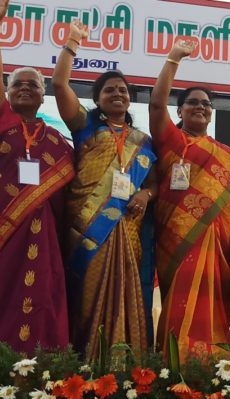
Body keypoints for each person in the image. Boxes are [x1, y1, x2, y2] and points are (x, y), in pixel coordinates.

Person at [53, 20, 156, 359]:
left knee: (126, 293)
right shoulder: (85, 126)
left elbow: (154, 184)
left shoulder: (143, 142)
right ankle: (83, 364)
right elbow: (59, 84)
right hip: (86, 226)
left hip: (127, 226)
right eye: (109, 90)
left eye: (123, 90)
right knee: (86, 296)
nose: (117, 94)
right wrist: (72, 42)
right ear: (97, 98)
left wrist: (145, 194)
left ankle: (128, 367)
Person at [149, 40, 230, 360]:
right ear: (180, 110)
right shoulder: (171, 139)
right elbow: (155, 106)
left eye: (206, 104)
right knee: (178, 302)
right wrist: (174, 58)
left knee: (216, 307)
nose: (201, 107)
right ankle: (173, 362)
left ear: (211, 113)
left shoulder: (228, 154)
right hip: (177, 241)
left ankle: (217, 364)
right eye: (193, 102)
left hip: (219, 249)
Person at [0, 0, 74, 354]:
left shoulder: (58, 141)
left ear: (44, 97)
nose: (26, 88)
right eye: (18, 84)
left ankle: (44, 369)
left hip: (45, 238)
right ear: (8, 93)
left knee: (43, 295)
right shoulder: (3, 124)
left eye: (33, 84)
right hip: (5, 232)